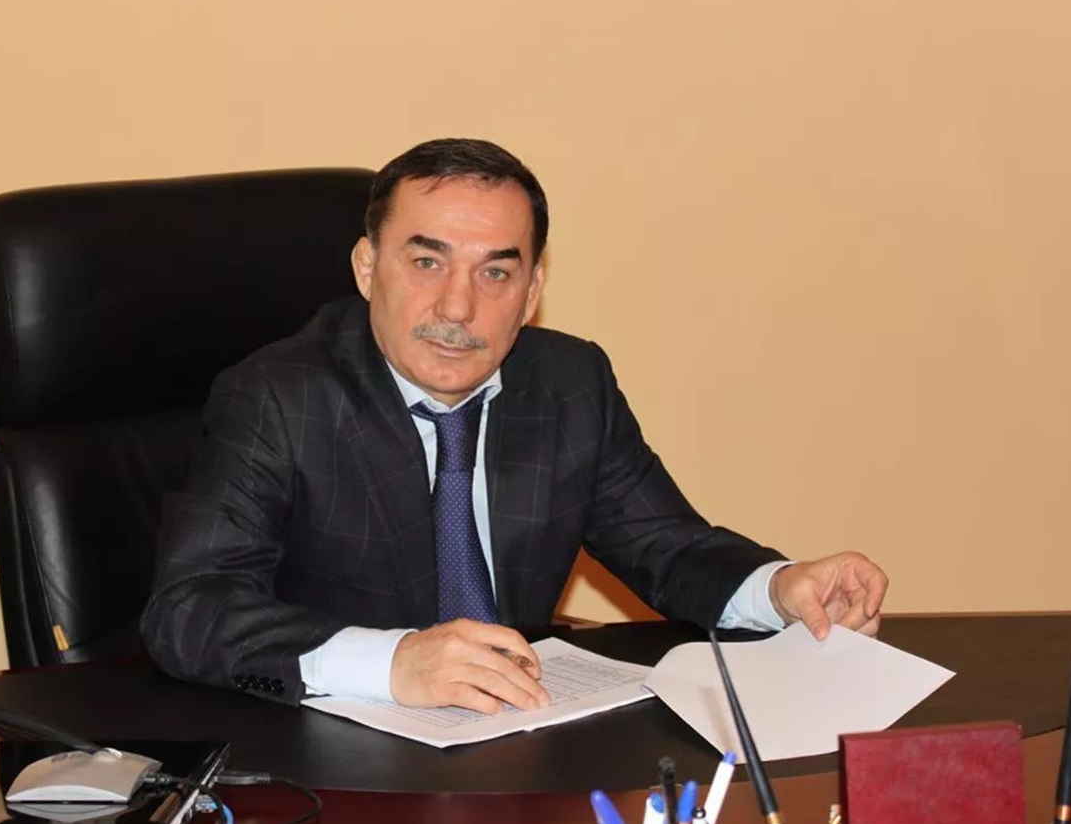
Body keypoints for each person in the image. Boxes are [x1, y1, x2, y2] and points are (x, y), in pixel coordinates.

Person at [140, 137, 888, 714]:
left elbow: (666, 545)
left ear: (532, 292)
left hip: (521, 739)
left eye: (495, 273)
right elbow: (190, 609)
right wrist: (393, 662)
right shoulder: (279, 396)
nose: (457, 308)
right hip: (337, 763)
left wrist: (778, 587)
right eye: (427, 262)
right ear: (367, 268)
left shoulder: (569, 382)